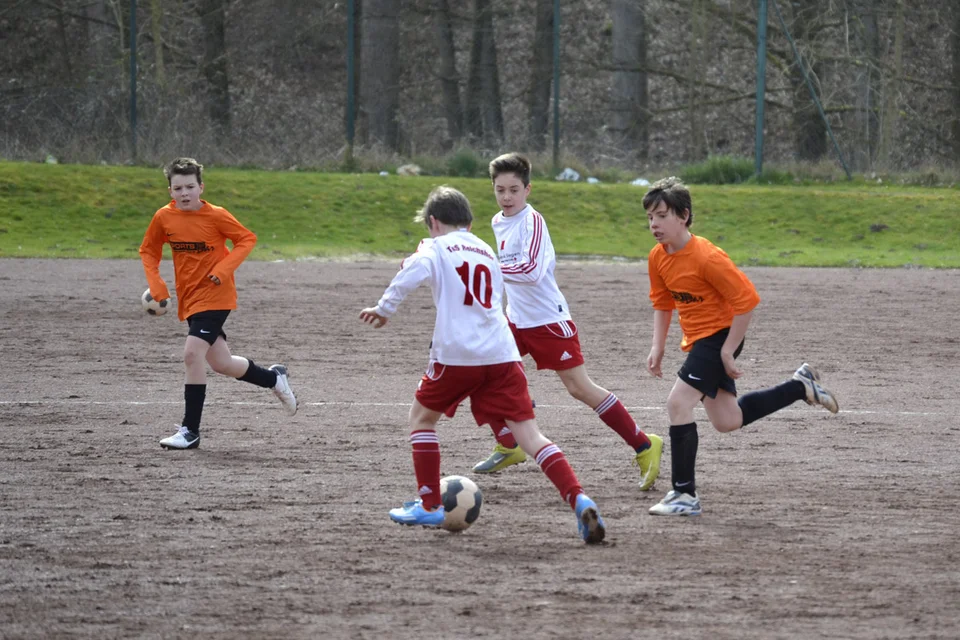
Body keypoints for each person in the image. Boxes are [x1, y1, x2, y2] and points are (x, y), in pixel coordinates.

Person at [359, 185, 606, 544]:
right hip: (503, 353)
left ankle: (429, 504)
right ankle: (578, 497)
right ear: (470, 224)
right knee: (531, 436)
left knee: (421, 419)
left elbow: (412, 270)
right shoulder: (487, 250)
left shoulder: (434, 246)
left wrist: (384, 309)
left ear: (432, 222)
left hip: (458, 353)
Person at [643, 177, 839, 516]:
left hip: (719, 335)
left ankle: (684, 495)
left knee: (678, 403)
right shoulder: (658, 258)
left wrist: (726, 350)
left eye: (661, 216)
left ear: (684, 216)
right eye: (650, 217)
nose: (654, 224)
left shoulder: (707, 257)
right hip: (701, 341)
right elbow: (663, 302)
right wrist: (657, 346)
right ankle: (800, 386)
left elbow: (747, 301)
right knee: (727, 420)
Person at [473, 152, 663, 492]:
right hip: (515, 320)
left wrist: (488, 269)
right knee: (480, 369)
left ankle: (644, 445)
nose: (506, 197)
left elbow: (530, 272)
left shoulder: (533, 222)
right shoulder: (498, 221)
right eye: (499, 190)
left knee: (579, 388)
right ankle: (508, 443)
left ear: (528, 189)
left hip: (548, 322)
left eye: (514, 190)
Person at [139, 157, 297, 450]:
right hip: (190, 297)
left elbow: (246, 239)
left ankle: (190, 430)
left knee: (191, 354)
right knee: (221, 363)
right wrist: (158, 285)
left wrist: (222, 271)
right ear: (170, 190)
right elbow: (148, 250)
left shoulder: (217, 215)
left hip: (216, 294)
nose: (184, 193)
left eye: (189, 186)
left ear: (201, 187)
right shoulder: (163, 217)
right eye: (177, 188)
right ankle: (274, 379)